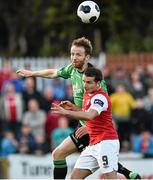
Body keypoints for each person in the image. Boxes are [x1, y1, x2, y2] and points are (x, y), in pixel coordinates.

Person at [16, 37, 141, 179]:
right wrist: (33, 73)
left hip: (92, 128)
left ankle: (127, 174)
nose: (74, 58)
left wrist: (87, 124)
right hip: (84, 123)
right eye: (72, 54)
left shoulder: (96, 81)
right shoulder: (72, 69)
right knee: (60, 155)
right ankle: (129, 174)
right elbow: (53, 73)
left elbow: (103, 109)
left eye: (78, 55)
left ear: (87, 57)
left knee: (105, 170)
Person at [52, 67, 120, 179]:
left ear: (98, 83)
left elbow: (89, 115)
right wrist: (73, 108)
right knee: (75, 177)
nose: (85, 85)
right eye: (84, 81)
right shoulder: (87, 94)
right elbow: (86, 112)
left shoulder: (100, 97)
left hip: (106, 143)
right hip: (93, 144)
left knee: (110, 177)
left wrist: (67, 112)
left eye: (89, 82)